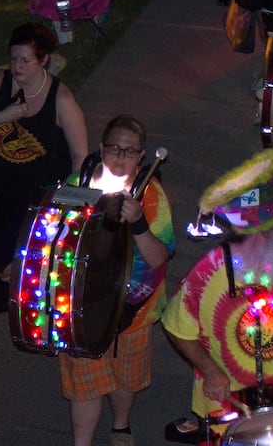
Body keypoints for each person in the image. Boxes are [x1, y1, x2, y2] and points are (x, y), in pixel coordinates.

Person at [0, 23, 89, 371]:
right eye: (13, 59)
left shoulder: (62, 99)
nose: (17, 67)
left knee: (37, 272)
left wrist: (65, 203)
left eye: (25, 60)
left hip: (38, 204)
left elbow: (81, 157)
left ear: (44, 61)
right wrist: (3, 115)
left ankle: (47, 337)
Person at [163, 147, 273, 416]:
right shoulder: (207, 273)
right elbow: (175, 326)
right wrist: (210, 370)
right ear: (264, 230)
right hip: (225, 406)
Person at [61, 116, 174, 446]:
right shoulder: (76, 185)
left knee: (125, 379)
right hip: (81, 304)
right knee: (85, 383)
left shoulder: (152, 198)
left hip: (135, 309)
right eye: (114, 148)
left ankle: (120, 424)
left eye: (129, 151)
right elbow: (52, 236)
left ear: (142, 156)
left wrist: (138, 224)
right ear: (101, 148)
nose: (121, 157)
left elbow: (158, 259)